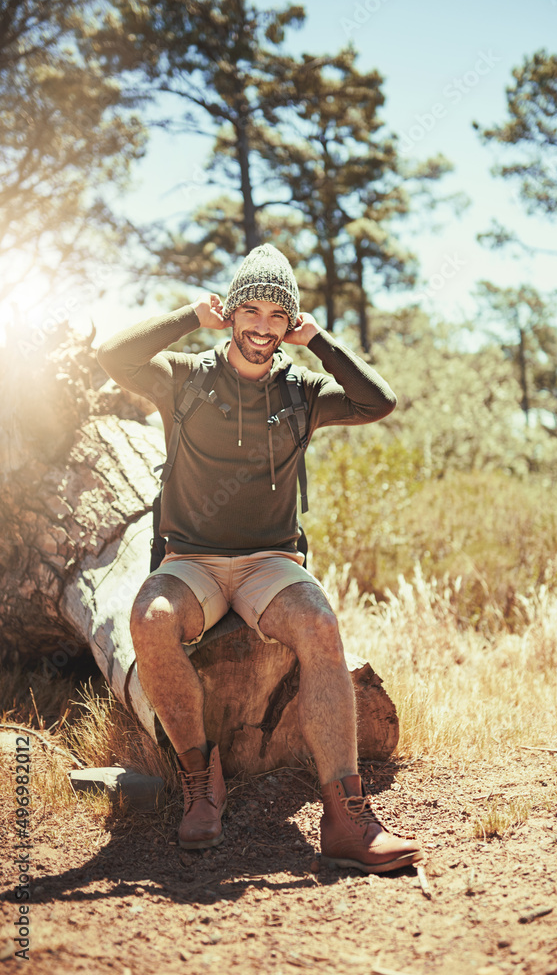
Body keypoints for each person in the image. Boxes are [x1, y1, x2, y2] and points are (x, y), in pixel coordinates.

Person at [97, 243, 422, 873]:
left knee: (321, 622)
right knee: (150, 619)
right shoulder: (185, 379)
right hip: (191, 560)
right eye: (251, 309)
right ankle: (200, 780)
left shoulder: (302, 392)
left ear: (290, 323)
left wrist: (320, 341)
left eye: (278, 315)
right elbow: (111, 355)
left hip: (269, 562)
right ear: (232, 309)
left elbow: (378, 401)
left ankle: (345, 816)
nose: (263, 327)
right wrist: (193, 315)